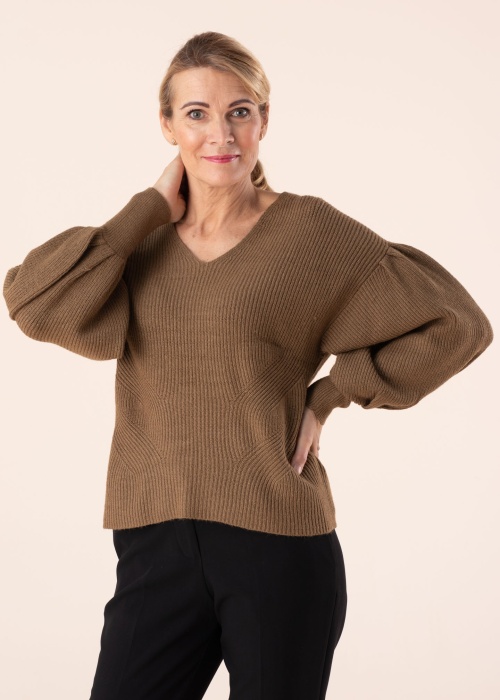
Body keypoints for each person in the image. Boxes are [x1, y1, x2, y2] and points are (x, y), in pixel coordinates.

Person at [2, 30, 493, 700]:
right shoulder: (140, 247)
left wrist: (332, 393)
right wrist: (145, 209)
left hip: (276, 545)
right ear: (167, 125)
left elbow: (457, 323)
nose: (221, 134)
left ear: (264, 120)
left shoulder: (309, 233)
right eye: (196, 113)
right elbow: (32, 303)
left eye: (239, 111)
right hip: (154, 547)